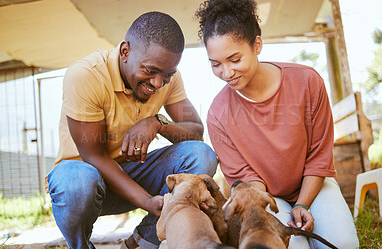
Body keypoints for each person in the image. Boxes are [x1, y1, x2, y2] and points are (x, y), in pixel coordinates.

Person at [47, 11, 218, 249]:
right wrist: (147, 201)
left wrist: (158, 122)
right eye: (150, 71)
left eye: (167, 75)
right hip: (88, 183)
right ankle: (81, 246)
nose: (158, 83)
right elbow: (93, 156)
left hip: (135, 173)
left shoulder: (169, 77)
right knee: (76, 180)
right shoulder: (86, 75)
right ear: (125, 51)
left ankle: (143, 241)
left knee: (202, 154)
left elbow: (196, 131)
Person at [195, 0, 359, 248]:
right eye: (216, 64)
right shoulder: (218, 114)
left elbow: (319, 155)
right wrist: (272, 207)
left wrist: (303, 203)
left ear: (257, 45)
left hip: (314, 183)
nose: (226, 72)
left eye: (234, 59)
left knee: (343, 244)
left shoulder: (307, 82)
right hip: (267, 197)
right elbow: (247, 179)